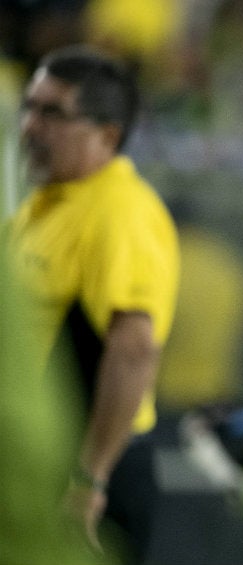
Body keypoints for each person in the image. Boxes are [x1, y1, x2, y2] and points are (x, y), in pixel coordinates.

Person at [5, 45, 179, 563]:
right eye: (29, 108)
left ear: (108, 134)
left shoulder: (119, 211)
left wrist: (89, 478)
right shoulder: (42, 207)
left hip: (89, 468)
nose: (31, 127)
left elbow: (133, 351)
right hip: (39, 465)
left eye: (53, 113)